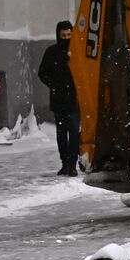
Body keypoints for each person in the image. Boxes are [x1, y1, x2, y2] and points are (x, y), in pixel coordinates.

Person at [38, 20, 80, 176]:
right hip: (59, 99)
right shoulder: (52, 52)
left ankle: (73, 164)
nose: (66, 38)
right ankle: (65, 163)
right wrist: (54, 85)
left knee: (74, 131)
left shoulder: (78, 51)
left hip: (74, 99)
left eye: (69, 35)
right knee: (62, 133)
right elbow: (42, 73)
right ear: (58, 35)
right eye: (63, 35)